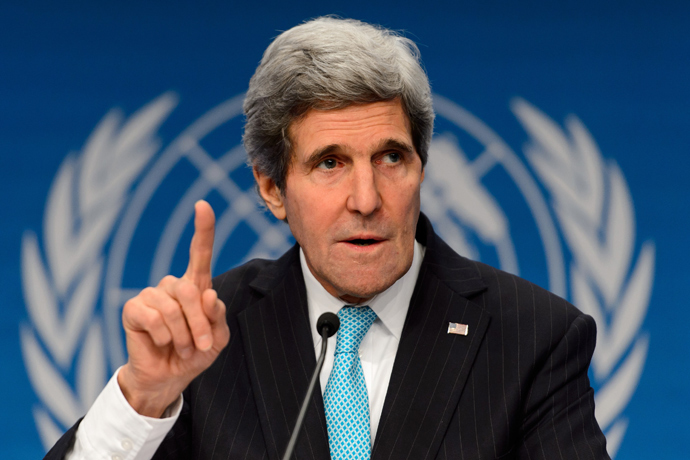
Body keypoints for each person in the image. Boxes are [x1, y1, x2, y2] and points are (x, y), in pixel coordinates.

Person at [46, 17, 610, 459]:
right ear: (272, 189)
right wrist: (143, 399)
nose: (366, 199)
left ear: (422, 169)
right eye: (330, 163)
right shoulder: (207, 339)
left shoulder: (533, 338)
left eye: (391, 157)